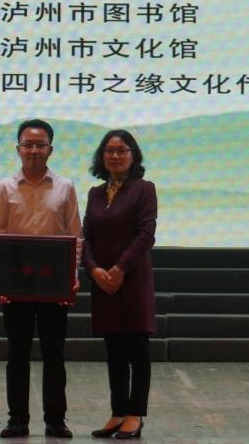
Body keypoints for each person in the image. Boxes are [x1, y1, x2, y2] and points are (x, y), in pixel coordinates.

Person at [0, 119, 81, 439]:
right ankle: (17, 419)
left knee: (54, 355)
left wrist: (71, 278)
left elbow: (75, 237)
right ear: (18, 149)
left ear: (50, 150)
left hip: (53, 286)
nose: (33, 150)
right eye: (27, 144)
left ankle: (56, 420)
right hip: (16, 286)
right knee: (17, 355)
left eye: (40, 145)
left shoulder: (65, 186)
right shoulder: (4, 186)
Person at [82, 130, 157, 440]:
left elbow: (146, 234)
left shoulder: (144, 190)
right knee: (113, 348)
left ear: (133, 155)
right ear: (102, 157)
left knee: (137, 348)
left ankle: (135, 414)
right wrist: (95, 270)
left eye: (122, 150)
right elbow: (86, 237)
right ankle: (118, 411)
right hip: (103, 282)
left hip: (133, 279)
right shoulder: (95, 194)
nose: (115, 155)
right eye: (110, 150)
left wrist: (119, 269)